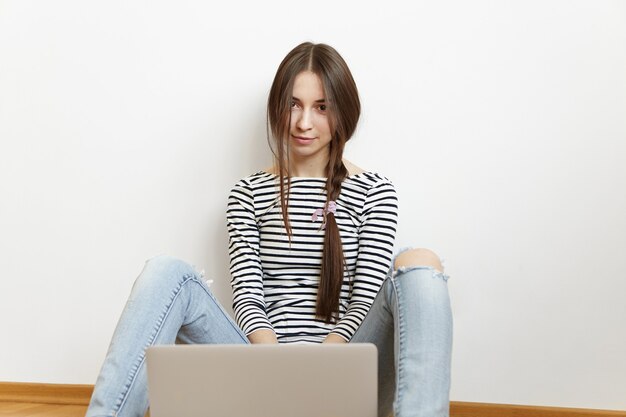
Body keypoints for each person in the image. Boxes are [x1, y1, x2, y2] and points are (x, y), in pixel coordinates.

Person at [86, 42, 453, 417]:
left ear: (344, 111)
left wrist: (322, 370)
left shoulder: (374, 191)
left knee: (420, 263)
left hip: (344, 375)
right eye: (293, 104)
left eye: (321, 107)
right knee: (166, 271)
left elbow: (363, 301)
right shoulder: (247, 193)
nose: (303, 122)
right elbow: (248, 300)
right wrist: (281, 375)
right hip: (263, 372)